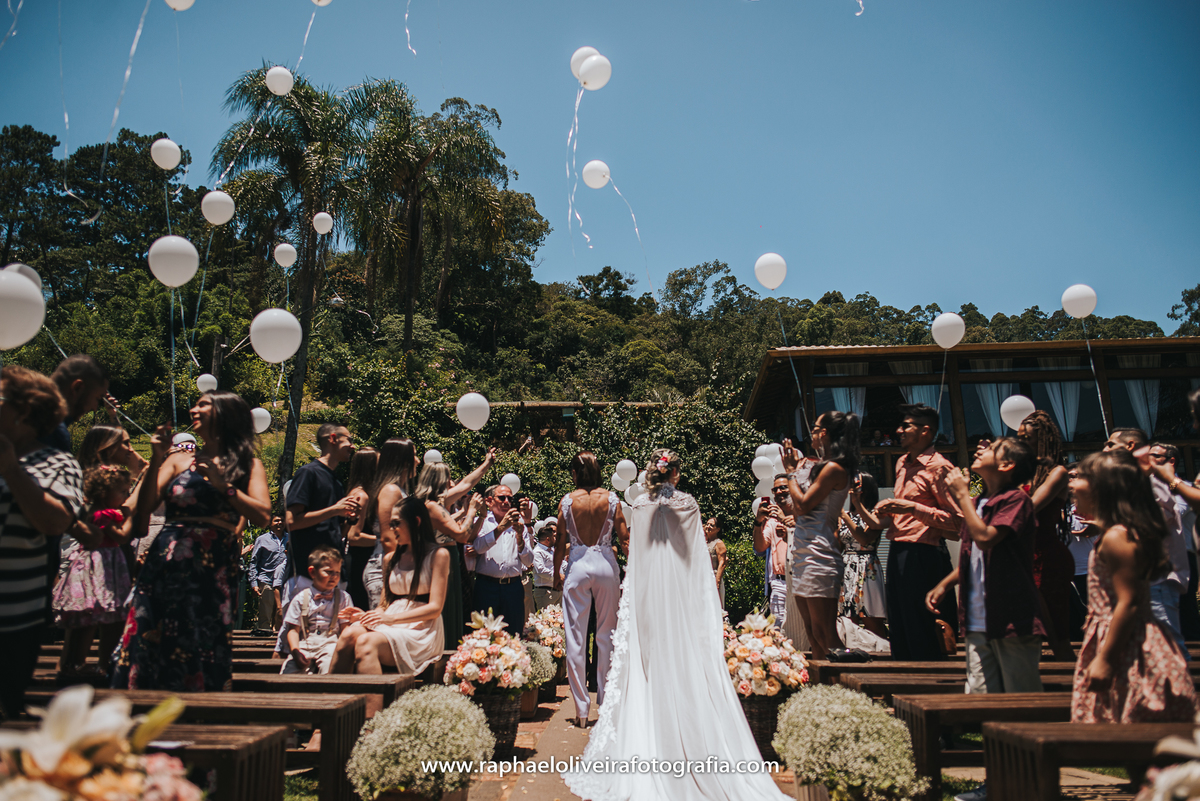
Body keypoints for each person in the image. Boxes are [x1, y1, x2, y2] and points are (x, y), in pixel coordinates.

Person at [561, 448, 789, 800]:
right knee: (679, 661)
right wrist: (703, 605)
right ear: (676, 475)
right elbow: (695, 560)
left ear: (652, 474)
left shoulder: (640, 506)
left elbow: (638, 561)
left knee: (638, 659)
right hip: (679, 599)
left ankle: (591, 711)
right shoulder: (688, 504)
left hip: (647, 596)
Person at [113, 390, 271, 691]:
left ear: (224, 414)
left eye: (203, 405)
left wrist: (224, 486)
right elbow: (144, 506)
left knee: (203, 637)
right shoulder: (177, 460)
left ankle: (200, 714)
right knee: (154, 633)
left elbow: (263, 514)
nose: (193, 409)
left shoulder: (247, 464)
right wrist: (157, 459)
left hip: (213, 566)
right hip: (167, 561)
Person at [1069, 449, 1197, 723]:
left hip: (1130, 644)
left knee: (1137, 722)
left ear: (1103, 487)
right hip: (1118, 637)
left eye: (1080, 477)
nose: (1072, 482)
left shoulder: (1118, 538)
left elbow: (1131, 601)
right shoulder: (1114, 532)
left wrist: (1105, 659)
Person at [926, 438, 1045, 695]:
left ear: (1007, 464)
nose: (980, 450)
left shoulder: (1016, 500)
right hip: (977, 618)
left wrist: (962, 497)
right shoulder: (978, 502)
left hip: (1010, 616)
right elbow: (975, 555)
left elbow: (986, 538)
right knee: (979, 693)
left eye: (992, 449)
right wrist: (945, 584)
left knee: (1020, 694)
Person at [0, 366, 85, 719]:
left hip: (12, 621)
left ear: (22, 411)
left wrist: (10, 469)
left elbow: (55, 522)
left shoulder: (56, 463)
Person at [875, 403, 963, 661]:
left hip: (925, 555)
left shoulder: (939, 467)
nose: (899, 430)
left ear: (926, 431)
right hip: (898, 551)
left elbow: (958, 523)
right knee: (900, 627)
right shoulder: (902, 463)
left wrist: (912, 508)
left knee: (923, 630)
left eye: (906, 425)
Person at [332, 496, 450, 676]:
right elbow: (384, 604)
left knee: (366, 642)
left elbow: (435, 608)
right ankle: (331, 696)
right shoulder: (390, 559)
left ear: (416, 522)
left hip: (422, 628)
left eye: (396, 523)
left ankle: (373, 704)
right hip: (390, 619)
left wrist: (390, 620)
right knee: (348, 634)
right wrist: (367, 616)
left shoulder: (438, 555)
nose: (391, 529)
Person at [553, 451, 627, 728]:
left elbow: (560, 540)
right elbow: (625, 537)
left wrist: (557, 573)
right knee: (607, 635)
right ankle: (605, 705)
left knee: (575, 637)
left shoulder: (568, 500)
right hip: (606, 565)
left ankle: (581, 710)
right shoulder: (611, 499)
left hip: (578, 567)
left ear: (575, 473)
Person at [1103, 428, 1189, 657]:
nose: (1105, 449)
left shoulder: (1149, 480)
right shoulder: (1133, 481)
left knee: (1168, 648)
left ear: (1130, 446)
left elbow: (1157, 523)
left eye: (1110, 444)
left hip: (1156, 579)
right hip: (1141, 579)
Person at [782, 410, 860, 661]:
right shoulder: (819, 467)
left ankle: (849, 681)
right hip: (803, 551)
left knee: (826, 634)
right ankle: (820, 690)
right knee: (812, 633)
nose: (811, 433)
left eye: (814, 428)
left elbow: (802, 505)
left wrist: (791, 473)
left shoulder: (835, 469)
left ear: (823, 433)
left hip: (820, 554)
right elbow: (796, 509)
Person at [53, 464, 134, 677]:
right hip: (103, 563)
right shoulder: (104, 515)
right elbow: (122, 536)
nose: (127, 496)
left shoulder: (92, 511)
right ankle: (89, 666)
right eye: (123, 492)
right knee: (99, 605)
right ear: (103, 493)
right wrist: (130, 516)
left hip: (97, 561)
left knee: (92, 610)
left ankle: (76, 663)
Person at [1017, 411, 1076, 661]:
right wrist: (977, 475)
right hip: (1021, 556)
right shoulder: (1018, 471)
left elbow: (1029, 508)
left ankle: (1074, 689)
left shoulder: (1057, 472)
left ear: (1043, 440)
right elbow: (979, 495)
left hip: (1047, 557)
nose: (1020, 443)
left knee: (1056, 632)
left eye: (1026, 438)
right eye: (1018, 438)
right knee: (1023, 634)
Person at [411, 461, 486, 646]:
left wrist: (486, 464)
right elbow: (461, 536)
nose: (451, 482)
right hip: (441, 561)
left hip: (448, 560)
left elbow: (466, 484)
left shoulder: (435, 502)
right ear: (440, 481)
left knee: (453, 609)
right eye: (448, 478)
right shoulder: (432, 506)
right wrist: (471, 511)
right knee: (447, 611)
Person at [284, 423, 358, 604]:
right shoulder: (308, 473)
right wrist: (334, 510)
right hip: (306, 575)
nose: (353, 446)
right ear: (333, 438)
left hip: (332, 577)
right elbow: (291, 522)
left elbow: (337, 532)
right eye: (349, 439)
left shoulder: (336, 482)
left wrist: (350, 519)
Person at [1146, 442, 1200, 640]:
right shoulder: (1147, 488)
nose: (1148, 459)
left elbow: (1167, 516)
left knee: (1185, 614)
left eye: (1155, 455)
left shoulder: (1184, 489)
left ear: (1171, 461)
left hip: (1182, 559)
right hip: (1156, 559)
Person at [361, 438, 419, 610]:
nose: (417, 460)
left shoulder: (399, 490)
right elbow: (388, 539)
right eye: (414, 455)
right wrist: (399, 573)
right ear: (402, 460)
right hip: (385, 570)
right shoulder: (390, 491)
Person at [471, 484, 534, 635]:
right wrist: (500, 528)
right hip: (486, 586)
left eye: (510, 498)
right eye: (502, 498)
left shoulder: (519, 525)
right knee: (484, 634)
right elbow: (477, 547)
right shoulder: (481, 522)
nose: (507, 501)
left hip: (513, 587)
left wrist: (520, 538)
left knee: (513, 633)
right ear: (489, 501)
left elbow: (529, 560)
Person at [279, 545, 352, 674]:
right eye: (329, 572)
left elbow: (345, 628)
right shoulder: (301, 598)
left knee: (331, 666)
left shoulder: (343, 598)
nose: (334, 576)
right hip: (305, 643)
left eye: (337, 573)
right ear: (312, 572)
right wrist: (295, 650)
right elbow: (293, 631)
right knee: (290, 671)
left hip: (330, 643)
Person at [838, 472, 888, 639]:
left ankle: (884, 656)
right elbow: (840, 546)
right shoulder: (846, 515)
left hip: (867, 567)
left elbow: (864, 539)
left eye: (856, 485)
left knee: (871, 620)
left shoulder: (877, 513)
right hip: (847, 567)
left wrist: (846, 514)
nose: (852, 489)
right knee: (847, 621)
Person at [752, 474, 794, 630]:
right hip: (779, 583)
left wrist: (785, 520)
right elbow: (760, 547)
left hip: (800, 581)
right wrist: (758, 522)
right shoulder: (771, 521)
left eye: (783, 487)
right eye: (775, 489)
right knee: (778, 630)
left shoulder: (803, 516)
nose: (778, 491)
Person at [42, 355, 109, 453]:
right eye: (97, 398)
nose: (95, 408)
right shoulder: (53, 431)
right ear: (77, 387)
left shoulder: (21, 410)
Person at [342, 447, 379, 610]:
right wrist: (382, 540)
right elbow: (354, 536)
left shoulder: (364, 494)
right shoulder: (361, 496)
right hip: (360, 564)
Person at [248, 515, 289, 635]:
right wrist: (254, 584)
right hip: (267, 580)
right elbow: (253, 562)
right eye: (276, 520)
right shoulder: (262, 539)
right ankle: (263, 644)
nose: (280, 523)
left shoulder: (290, 538)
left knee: (281, 613)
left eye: (282, 520)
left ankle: (279, 644)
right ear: (270, 523)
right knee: (266, 613)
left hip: (284, 582)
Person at [531, 519, 562, 609]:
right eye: (554, 537)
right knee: (546, 621)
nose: (556, 539)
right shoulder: (537, 552)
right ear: (548, 539)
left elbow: (561, 564)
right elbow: (541, 571)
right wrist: (558, 576)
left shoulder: (552, 550)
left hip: (558, 591)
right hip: (545, 592)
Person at [704, 516, 727, 608]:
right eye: (707, 524)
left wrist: (717, 582)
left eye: (712, 525)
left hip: (713, 577)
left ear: (718, 529)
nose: (708, 526)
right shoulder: (704, 542)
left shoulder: (719, 543)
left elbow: (722, 563)